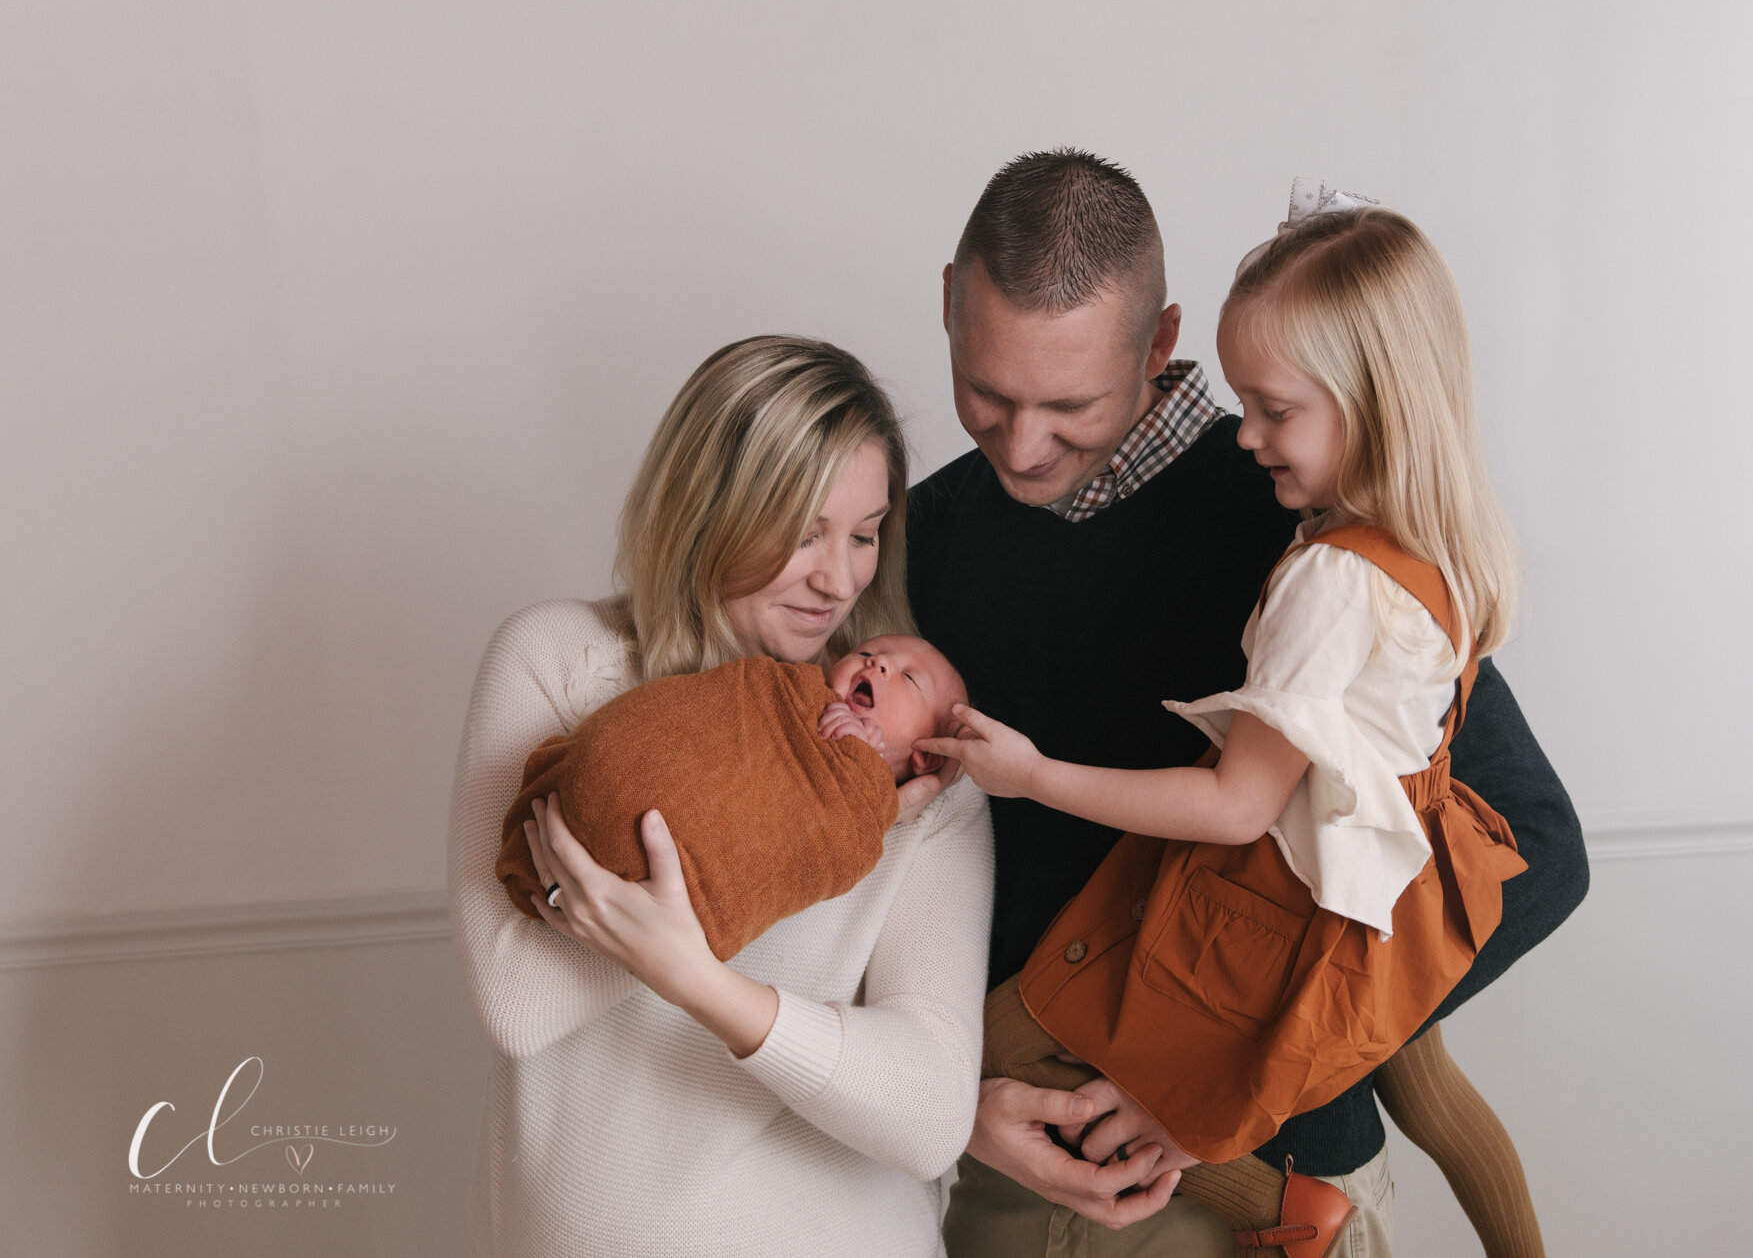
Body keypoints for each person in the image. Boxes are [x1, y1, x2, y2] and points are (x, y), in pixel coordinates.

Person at [908, 153, 1589, 1258]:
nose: (1021, 445)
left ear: (1161, 341)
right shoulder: (914, 538)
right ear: (946, 304)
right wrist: (949, 1104)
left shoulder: (1314, 540)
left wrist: (1230, 1086)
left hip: (1271, 1188)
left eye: (1068, 404)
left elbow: (1536, 853)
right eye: (987, 395)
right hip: (1004, 1177)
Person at [447, 336, 994, 1258]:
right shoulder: (560, 662)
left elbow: (931, 1110)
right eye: (801, 531)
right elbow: (518, 1002)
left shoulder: (909, 760)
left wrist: (700, 979)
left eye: (863, 535)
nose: (838, 579)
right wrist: (703, 904)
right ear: (709, 509)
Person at [493, 634, 970, 959]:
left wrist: (868, 785)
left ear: (926, 757)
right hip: (585, 793)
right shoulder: (781, 690)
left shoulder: (886, 826)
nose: (878, 662)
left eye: (908, 679)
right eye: (868, 651)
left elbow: (808, 846)